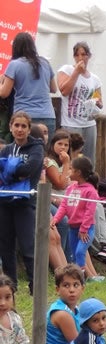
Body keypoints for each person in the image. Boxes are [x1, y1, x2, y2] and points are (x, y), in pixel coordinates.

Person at [0, 111, 44, 292]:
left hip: (25, 203)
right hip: (5, 201)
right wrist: (13, 171)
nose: (19, 129)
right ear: (10, 127)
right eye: (16, 125)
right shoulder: (7, 149)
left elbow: (30, 169)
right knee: (6, 246)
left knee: (28, 246)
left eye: (23, 126)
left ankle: (36, 285)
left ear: (28, 129)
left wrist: (10, 168)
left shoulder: (36, 148)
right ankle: (11, 286)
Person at [51, 156, 100, 273]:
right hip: (72, 228)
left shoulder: (90, 191)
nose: (68, 171)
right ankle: (79, 277)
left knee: (80, 252)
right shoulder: (71, 188)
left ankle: (81, 277)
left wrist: (84, 229)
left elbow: (89, 212)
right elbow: (64, 206)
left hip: (86, 230)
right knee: (74, 253)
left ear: (78, 172)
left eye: (71, 169)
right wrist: (56, 219)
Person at [0, 32, 57, 133]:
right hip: (48, 116)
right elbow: (53, 89)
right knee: (46, 149)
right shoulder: (45, 62)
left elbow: (4, 93)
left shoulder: (14, 65)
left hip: (24, 117)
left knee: (24, 149)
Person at [56, 42, 103, 162]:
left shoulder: (95, 79)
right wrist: (76, 72)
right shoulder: (66, 70)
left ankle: (89, 180)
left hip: (89, 123)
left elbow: (100, 101)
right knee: (71, 157)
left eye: (83, 54)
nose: (80, 58)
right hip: (71, 123)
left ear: (89, 56)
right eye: (77, 55)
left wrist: (96, 102)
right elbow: (64, 91)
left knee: (89, 159)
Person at [45, 263, 85, 344]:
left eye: (76, 285)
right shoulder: (62, 313)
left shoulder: (76, 309)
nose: (71, 290)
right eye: (66, 285)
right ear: (57, 289)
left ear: (83, 288)